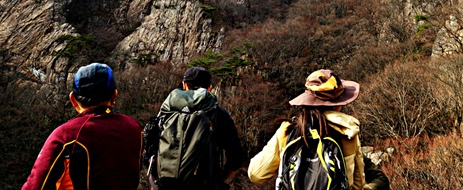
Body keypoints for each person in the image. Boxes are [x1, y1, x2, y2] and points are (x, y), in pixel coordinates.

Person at [248, 69, 389, 190]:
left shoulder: (288, 130)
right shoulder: (347, 131)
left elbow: (256, 175)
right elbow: (357, 184)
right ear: (339, 104)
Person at [22, 62, 142, 190]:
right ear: (114, 96)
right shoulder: (134, 128)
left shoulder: (66, 135)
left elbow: (36, 185)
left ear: (73, 99)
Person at [156, 66, 243, 190]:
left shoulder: (167, 109)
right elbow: (236, 159)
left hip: (166, 184)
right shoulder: (219, 115)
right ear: (209, 88)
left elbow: (150, 148)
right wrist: (219, 178)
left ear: (184, 85)